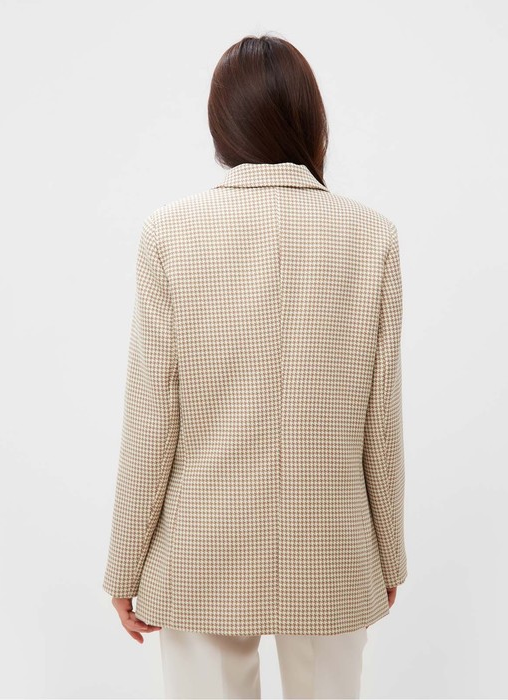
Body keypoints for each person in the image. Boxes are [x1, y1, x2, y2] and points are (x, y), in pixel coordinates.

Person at [102, 33, 407, 699]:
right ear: (313, 122)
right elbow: (380, 423)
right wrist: (388, 554)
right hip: (332, 545)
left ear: (222, 126)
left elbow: (152, 420)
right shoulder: (371, 237)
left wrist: (124, 565)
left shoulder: (170, 234)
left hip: (199, 549)